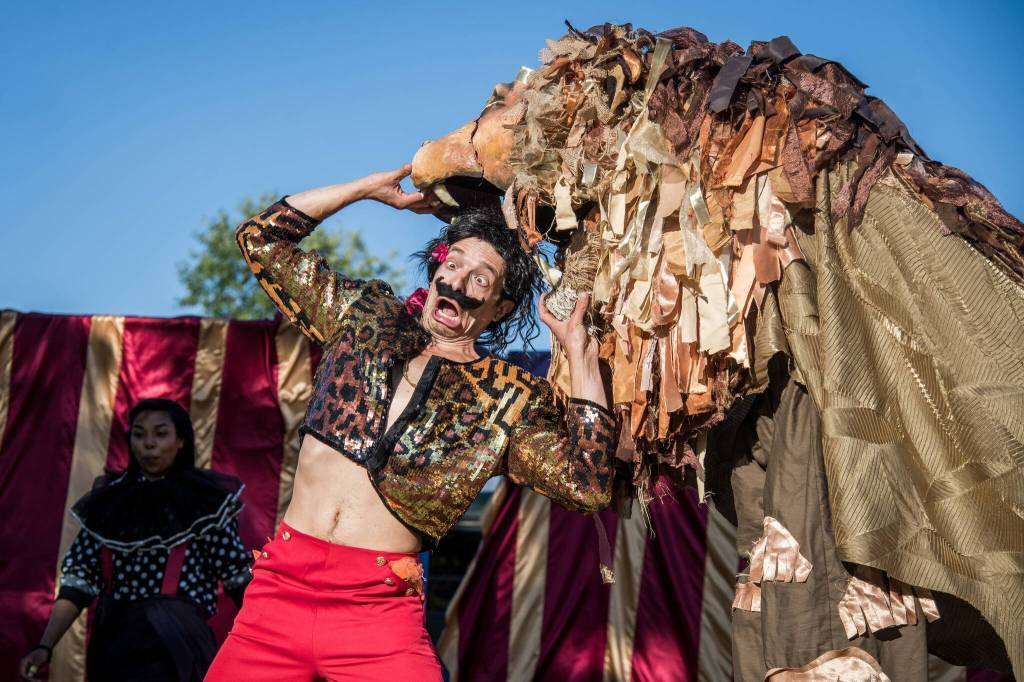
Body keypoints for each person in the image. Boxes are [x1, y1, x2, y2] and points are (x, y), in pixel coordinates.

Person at [205, 165, 616, 680]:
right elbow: (261, 239)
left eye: (480, 279)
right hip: (277, 597)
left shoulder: (507, 399)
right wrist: (364, 191)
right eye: (454, 264)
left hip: (379, 616)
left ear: (500, 305)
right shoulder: (365, 317)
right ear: (437, 268)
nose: (458, 282)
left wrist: (578, 350)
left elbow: (589, 483)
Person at [18, 398, 251, 681]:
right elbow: (78, 583)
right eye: (139, 434)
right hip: (115, 645)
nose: (149, 444)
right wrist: (45, 646)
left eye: (161, 433)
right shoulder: (110, 504)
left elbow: (240, 583)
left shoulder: (205, 506)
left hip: (177, 645)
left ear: (180, 441)